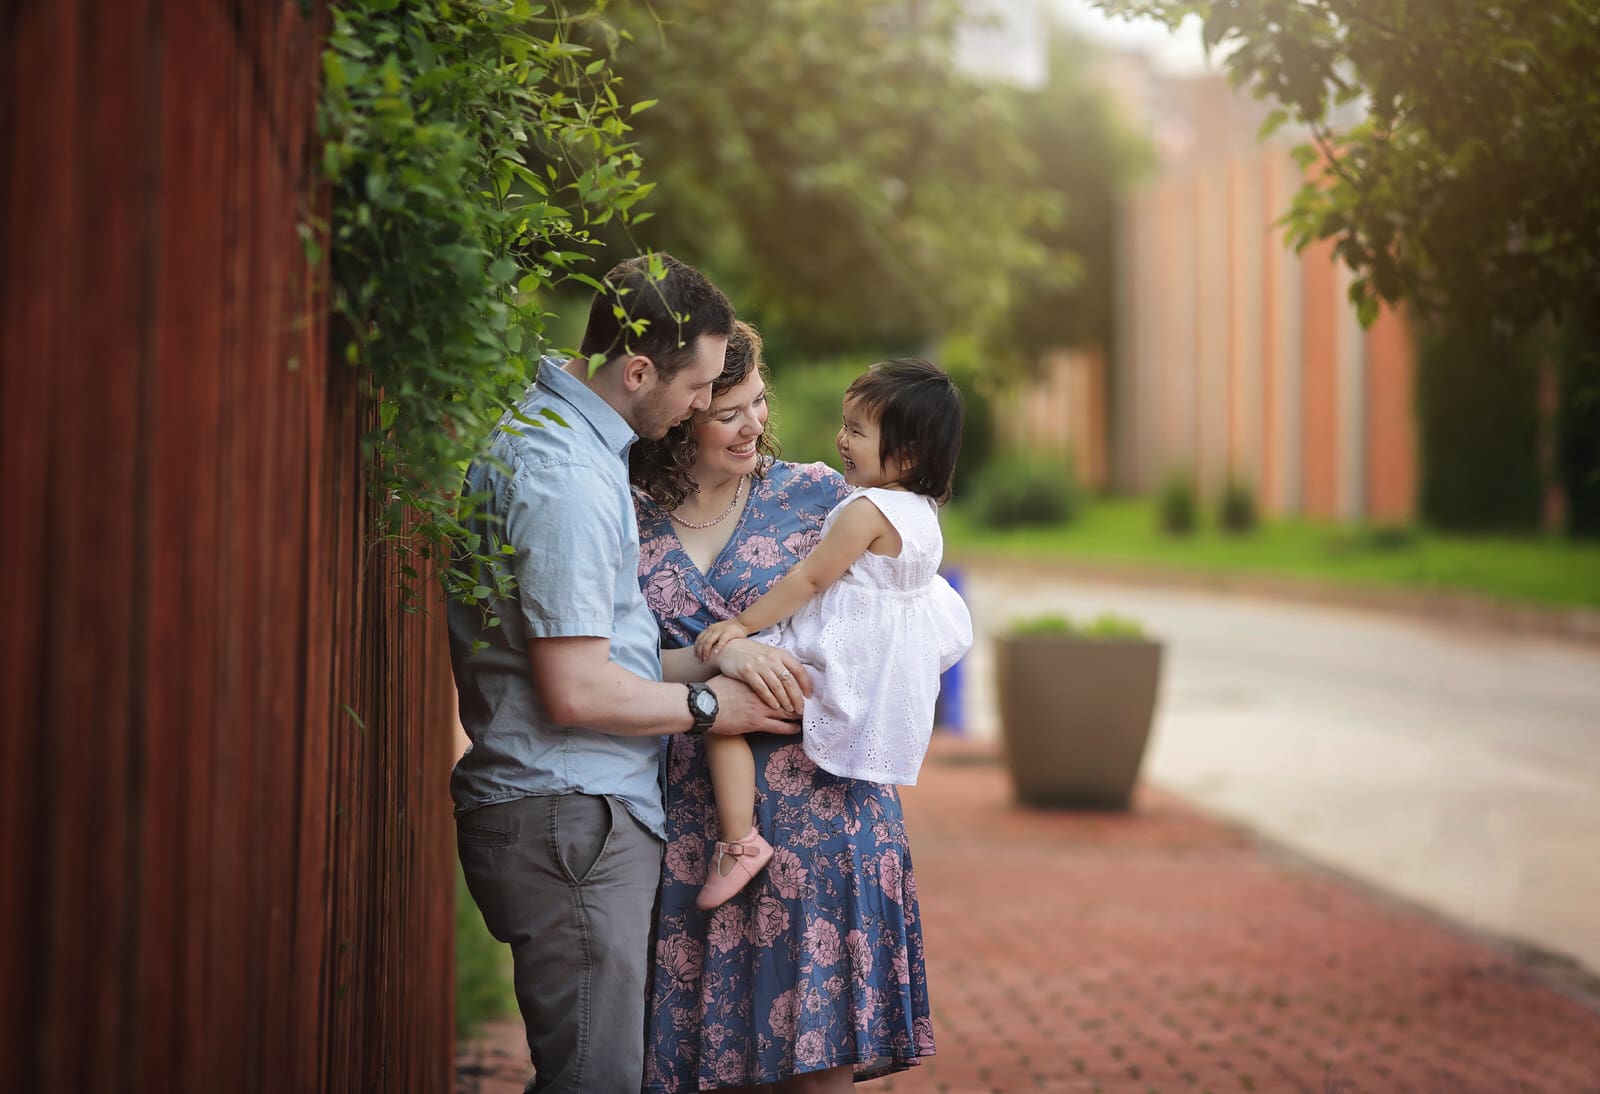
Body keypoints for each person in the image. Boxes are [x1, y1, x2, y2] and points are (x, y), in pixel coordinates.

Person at [448, 256, 806, 1094]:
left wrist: (722, 655)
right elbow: (576, 691)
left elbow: (611, 659)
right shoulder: (566, 476)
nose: (696, 410)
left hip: (574, 814)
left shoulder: (568, 445)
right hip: (571, 819)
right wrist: (713, 707)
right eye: (697, 388)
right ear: (639, 370)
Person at [631, 323, 939, 1092]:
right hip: (690, 826)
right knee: (692, 1060)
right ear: (680, 409)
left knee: (816, 1059)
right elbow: (603, 663)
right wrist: (721, 654)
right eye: (728, 410)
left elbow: (910, 618)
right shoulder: (622, 516)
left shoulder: (821, 498)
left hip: (830, 814)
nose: (755, 424)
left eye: (759, 403)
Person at [692, 357, 973, 909]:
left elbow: (812, 577)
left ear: (908, 453)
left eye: (858, 431)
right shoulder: (922, 512)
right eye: (845, 424)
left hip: (836, 657)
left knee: (721, 720)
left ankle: (738, 841)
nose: (842, 439)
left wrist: (742, 626)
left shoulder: (865, 510)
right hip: (876, 668)